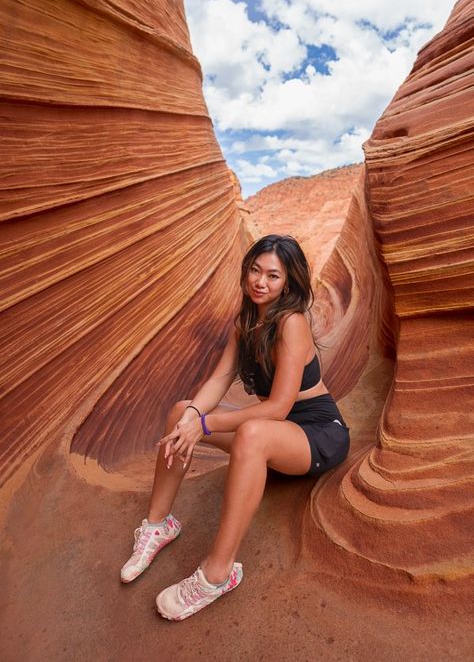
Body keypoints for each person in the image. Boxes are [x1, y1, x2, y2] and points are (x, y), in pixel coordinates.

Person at [120, 234, 350, 621]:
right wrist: (195, 415)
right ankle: (159, 525)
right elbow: (218, 379)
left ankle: (217, 575)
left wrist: (207, 424)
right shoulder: (246, 320)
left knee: (252, 433)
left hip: (316, 433)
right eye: (255, 271)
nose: (261, 282)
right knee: (180, 412)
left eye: (273, 276)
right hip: (274, 433)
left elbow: (277, 408)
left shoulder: (291, 323)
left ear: (289, 283)